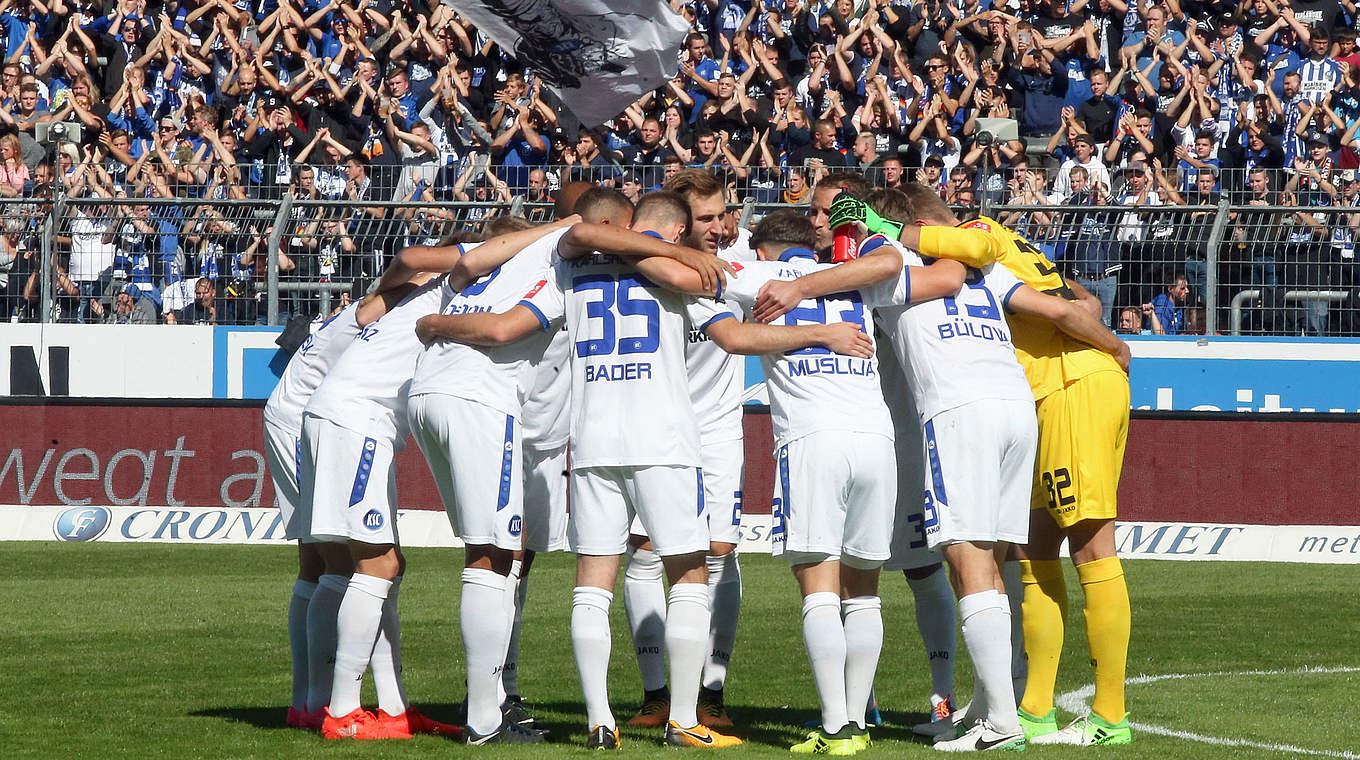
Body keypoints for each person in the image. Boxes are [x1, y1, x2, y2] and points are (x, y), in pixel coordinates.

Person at [795, 185, 1134, 748]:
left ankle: (1003, 725)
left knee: (968, 561)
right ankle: (991, 704)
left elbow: (863, 285)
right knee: (1000, 559)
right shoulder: (983, 270)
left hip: (958, 412)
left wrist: (799, 282)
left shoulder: (887, 264)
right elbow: (1059, 306)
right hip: (1019, 408)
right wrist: (1116, 345)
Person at [301, 269, 457, 742]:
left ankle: (390, 708)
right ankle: (343, 710)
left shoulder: (427, 293)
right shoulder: (453, 289)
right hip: (358, 421)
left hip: (343, 415)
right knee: (375, 564)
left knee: (380, 564)